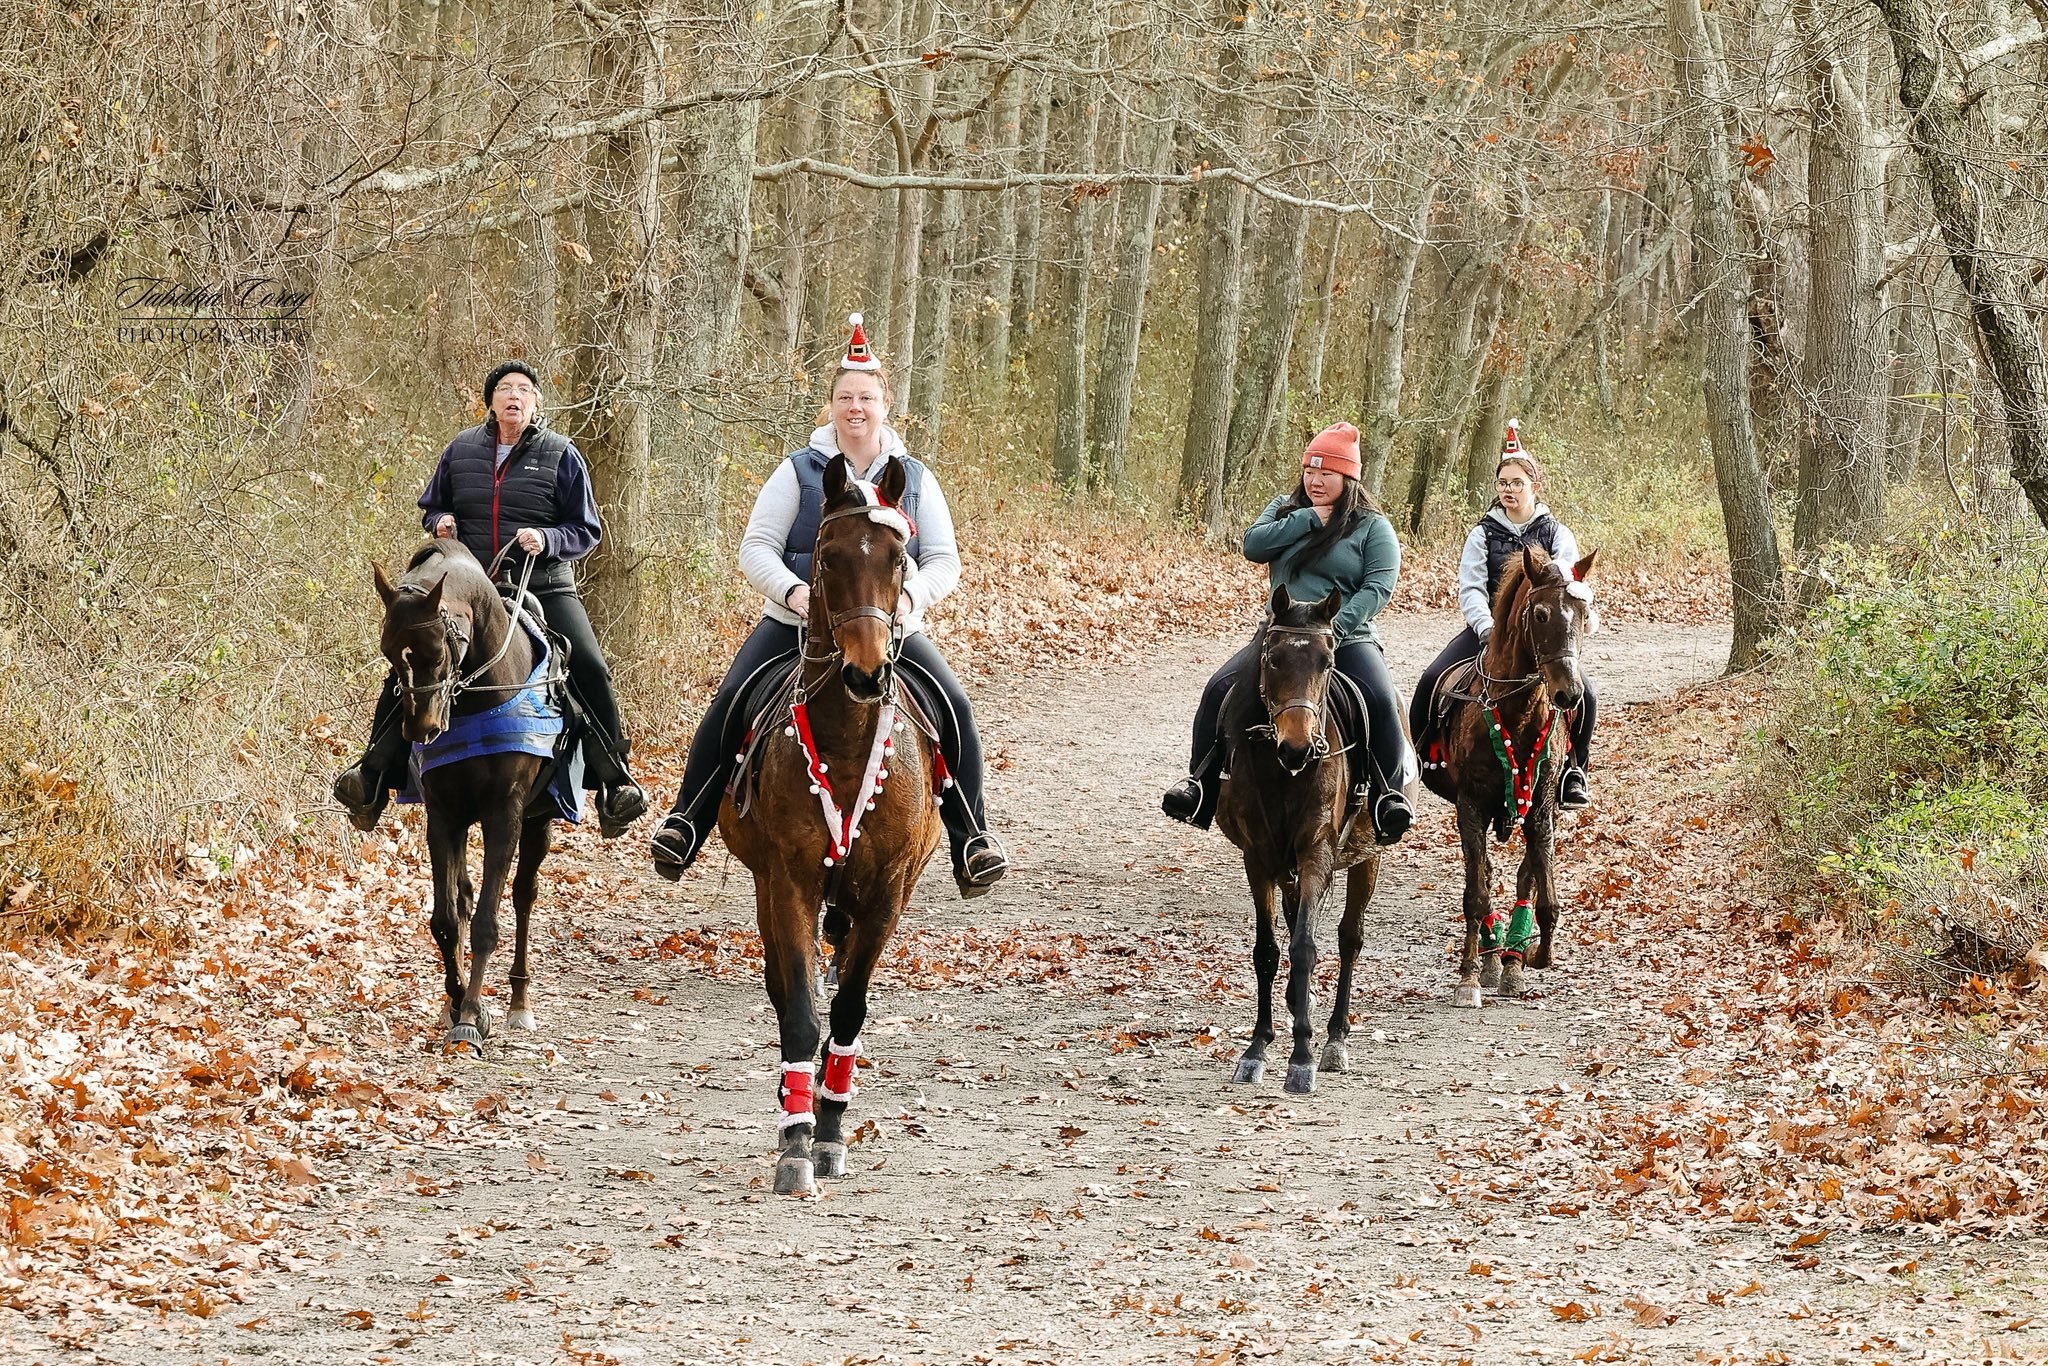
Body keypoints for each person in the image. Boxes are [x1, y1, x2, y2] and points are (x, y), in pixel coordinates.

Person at [648, 315, 1009, 897]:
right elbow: (756, 547)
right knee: (731, 701)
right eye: (846, 397)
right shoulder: (798, 471)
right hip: (796, 627)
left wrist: (907, 602)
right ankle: (687, 821)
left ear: (884, 404)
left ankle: (972, 838)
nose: (855, 407)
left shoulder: (914, 478)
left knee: (955, 708)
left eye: (866, 397)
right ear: (832, 404)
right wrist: (794, 593)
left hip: (887, 630)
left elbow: (944, 560)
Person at [331, 360, 649, 836]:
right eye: (504, 389)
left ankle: (614, 781)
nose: (513, 396)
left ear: (537, 402)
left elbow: (586, 530)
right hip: (469, 589)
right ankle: (372, 775)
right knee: (412, 655)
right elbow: (432, 504)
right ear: (491, 401)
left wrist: (548, 539)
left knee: (589, 664)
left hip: (542, 583)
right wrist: (438, 522)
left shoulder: (562, 454)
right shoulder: (460, 450)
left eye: (524, 389)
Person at [1161, 422, 1413, 843]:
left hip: (1343, 639)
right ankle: (1200, 785)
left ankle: (1386, 796)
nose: (1315, 481)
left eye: (1326, 473)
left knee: (1381, 698)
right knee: (1217, 689)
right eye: (1309, 472)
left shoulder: (1373, 528)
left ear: (1349, 478)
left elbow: (1378, 587)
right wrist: (1307, 520)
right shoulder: (1284, 510)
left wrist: (1335, 628)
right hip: (1278, 637)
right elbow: (1254, 546)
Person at [1409, 419, 1595, 810]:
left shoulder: (1556, 533)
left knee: (1586, 694)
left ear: (1534, 486)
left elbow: (1567, 579)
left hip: (1541, 633)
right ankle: (1424, 757)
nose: (1509, 490)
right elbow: (1471, 588)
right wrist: (1486, 628)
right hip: (1488, 631)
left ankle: (1574, 770)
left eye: (1516, 483)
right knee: (1429, 680)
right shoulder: (1482, 534)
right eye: (1503, 483)